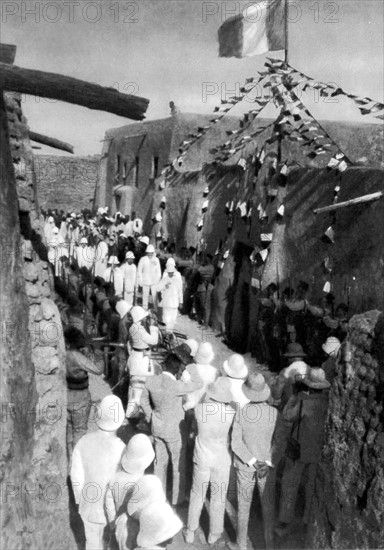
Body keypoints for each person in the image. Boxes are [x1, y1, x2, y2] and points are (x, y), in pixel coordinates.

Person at [141, 351, 204, 506]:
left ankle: (158, 497)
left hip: (157, 426)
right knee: (178, 465)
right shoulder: (176, 386)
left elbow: (142, 400)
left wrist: (150, 417)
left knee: (159, 463)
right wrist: (191, 365)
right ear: (177, 371)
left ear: (164, 365)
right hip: (174, 430)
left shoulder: (150, 381)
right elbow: (199, 383)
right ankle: (178, 498)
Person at [229, 373, 281, 550]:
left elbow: (235, 443)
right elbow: (279, 442)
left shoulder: (241, 413)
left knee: (243, 506)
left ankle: (241, 543)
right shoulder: (274, 413)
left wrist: (252, 461)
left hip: (246, 465)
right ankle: (269, 544)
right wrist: (266, 462)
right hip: (267, 467)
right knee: (268, 507)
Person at [276, 368, 330, 536]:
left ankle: (285, 521)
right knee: (311, 487)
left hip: (298, 450)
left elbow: (287, 415)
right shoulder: (329, 402)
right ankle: (307, 522)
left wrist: (294, 397)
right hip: (317, 451)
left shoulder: (303, 402)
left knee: (289, 484)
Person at [184, 377, 236, 545]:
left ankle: (191, 530)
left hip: (202, 457)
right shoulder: (231, 413)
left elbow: (193, 430)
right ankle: (214, 533)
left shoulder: (200, 410)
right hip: (222, 459)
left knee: (197, 494)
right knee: (218, 497)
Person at [70, 395, 126, 550]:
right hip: (112, 511)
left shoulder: (83, 441)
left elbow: (76, 475)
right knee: (111, 542)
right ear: (120, 421)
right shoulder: (122, 448)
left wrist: (79, 499)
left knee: (92, 542)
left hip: (88, 507)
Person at [105, 434, 156, 550]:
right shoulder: (144, 484)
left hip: (119, 521)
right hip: (137, 528)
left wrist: (112, 522)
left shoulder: (114, 479)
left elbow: (109, 504)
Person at [65, 327, 104, 460]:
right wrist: (98, 352)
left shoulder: (63, 353)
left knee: (69, 430)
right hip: (80, 398)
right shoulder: (76, 357)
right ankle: (76, 463)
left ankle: (69, 458)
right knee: (79, 432)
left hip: (67, 396)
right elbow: (98, 370)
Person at [126, 306, 159, 418]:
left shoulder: (132, 327)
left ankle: (131, 412)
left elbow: (130, 343)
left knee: (133, 387)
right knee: (139, 388)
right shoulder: (139, 329)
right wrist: (153, 327)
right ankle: (136, 413)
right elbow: (154, 340)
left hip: (135, 356)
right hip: (141, 361)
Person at [181, 342, 218, 411]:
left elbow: (182, 391)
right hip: (204, 408)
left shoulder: (188, 370)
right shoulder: (215, 373)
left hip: (188, 407)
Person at [157, 258, 183, 333]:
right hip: (167, 302)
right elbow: (158, 288)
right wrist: (164, 286)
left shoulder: (178, 276)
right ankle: (168, 333)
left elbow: (180, 290)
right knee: (167, 319)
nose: (170, 274)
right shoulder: (165, 276)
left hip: (174, 302)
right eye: (169, 272)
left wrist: (181, 301)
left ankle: (170, 333)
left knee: (173, 320)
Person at [136, 244, 162, 311]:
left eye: (151, 253)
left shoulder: (156, 260)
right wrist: (140, 280)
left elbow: (159, 272)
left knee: (154, 297)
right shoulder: (143, 259)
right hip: (145, 281)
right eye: (149, 253)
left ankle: (155, 309)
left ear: (153, 253)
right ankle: (144, 310)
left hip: (154, 282)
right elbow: (139, 270)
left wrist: (157, 280)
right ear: (146, 252)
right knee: (145, 296)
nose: (150, 254)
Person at [196, 254, 214, 327]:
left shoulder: (210, 267)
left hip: (206, 286)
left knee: (206, 305)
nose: (206, 260)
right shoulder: (204, 266)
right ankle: (204, 321)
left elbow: (199, 270)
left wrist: (201, 266)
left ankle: (206, 323)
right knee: (203, 305)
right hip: (202, 286)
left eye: (207, 259)